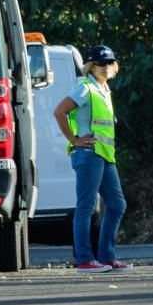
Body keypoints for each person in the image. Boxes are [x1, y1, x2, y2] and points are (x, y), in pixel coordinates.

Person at [53, 45, 130, 274]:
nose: (105, 67)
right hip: (88, 154)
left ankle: (106, 257)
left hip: (105, 155)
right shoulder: (85, 88)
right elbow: (59, 111)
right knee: (86, 207)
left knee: (117, 205)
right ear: (91, 66)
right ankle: (85, 260)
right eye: (100, 64)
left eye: (109, 63)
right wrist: (74, 139)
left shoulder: (104, 89)